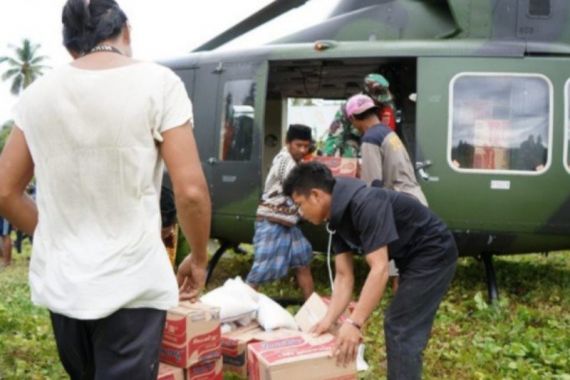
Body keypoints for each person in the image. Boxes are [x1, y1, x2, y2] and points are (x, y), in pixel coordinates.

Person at [0, 0, 211, 378]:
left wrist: (55, 236)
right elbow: (191, 192)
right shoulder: (159, 84)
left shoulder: (36, 95)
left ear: (69, 46)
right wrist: (197, 259)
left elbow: (4, 192)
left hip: (65, 287)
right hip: (132, 286)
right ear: (126, 30)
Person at [283, 162, 457, 380]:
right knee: (402, 323)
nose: (300, 213)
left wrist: (354, 323)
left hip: (434, 252)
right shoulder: (335, 217)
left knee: (401, 326)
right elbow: (344, 276)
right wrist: (329, 319)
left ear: (316, 195)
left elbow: (380, 268)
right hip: (408, 256)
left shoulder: (365, 203)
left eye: (300, 204)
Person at [246, 124, 314, 299]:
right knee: (259, 272)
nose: (302, 149)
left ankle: (312, 309)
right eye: (298, 145)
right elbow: (296, 189)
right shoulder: (285, 161)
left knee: (302, 263)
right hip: (271, 222)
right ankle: (242, 311)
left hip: (288, 224)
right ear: (287, 142)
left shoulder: (296, 162)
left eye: (306, 146)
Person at [345, 93, 428, 206]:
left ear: (352, 118)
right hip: (416, 199)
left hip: (402, 205)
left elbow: (373, 186)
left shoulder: (371, 138)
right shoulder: (388, 133)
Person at [322, 73, 396, 158]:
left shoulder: (388, 105)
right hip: (355, 145)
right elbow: (334, 136)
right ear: (367, 94)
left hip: (378, 144)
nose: (380, 103)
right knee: (350, 146)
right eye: (376, 100)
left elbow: (390, 135)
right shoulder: (350, 107)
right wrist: (327, 159)